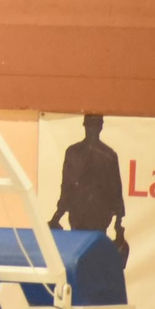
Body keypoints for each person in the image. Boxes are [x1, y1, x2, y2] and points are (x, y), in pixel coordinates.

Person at [48, 114, 127, 266]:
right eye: (91, 126)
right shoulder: (75, 152)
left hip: (99, 214)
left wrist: (118, 220)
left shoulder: (108, 155)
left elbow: (116, 189)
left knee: (91, 252)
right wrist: (58, 214)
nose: (92, 130)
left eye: (94, 126)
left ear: (100, 127)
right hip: (81, 213)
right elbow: (67, 185)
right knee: (81, 252)